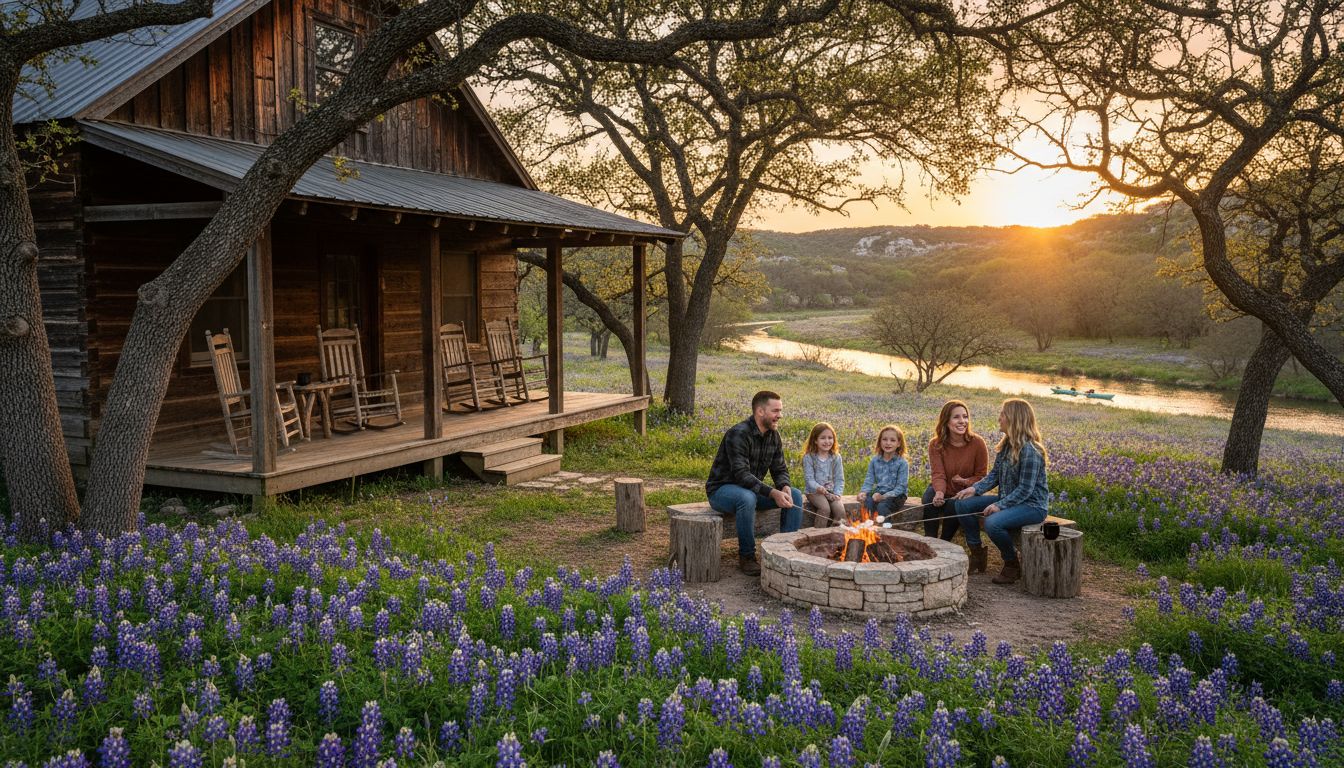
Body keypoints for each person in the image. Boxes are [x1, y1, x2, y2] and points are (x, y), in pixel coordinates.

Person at [706, 390, 804, 575]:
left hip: (751, 490)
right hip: (721, 491)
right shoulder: (738, 434)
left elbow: (780, 469)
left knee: (796, 495)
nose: (780, 415)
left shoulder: (774, 436)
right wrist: (772, 493)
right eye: (775, 411)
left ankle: (784, 553)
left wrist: (784, 486)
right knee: (747, 498)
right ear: (760, 411)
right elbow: (741, 475)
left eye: (780, 410)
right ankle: (747, 557)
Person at [954, 398, 1050, 584]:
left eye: (1003, 414)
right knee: (962, 504)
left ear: (1014, 418)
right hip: (1009, 499)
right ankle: (977, 553)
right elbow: (994, 475)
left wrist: (1000, 505)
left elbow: (1025, 489)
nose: (999, 418)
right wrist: (974, 488)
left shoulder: (1031, 451)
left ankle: (1011, 564)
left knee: (993, 523)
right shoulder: (1007, 445)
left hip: (1032, 506)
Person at [922, 400, 989, 557]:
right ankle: (929, 542)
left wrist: (965, 482)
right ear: (946, 421)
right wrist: (939, 492)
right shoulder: (936, 444)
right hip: (944, 486)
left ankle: (943, 544)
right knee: (928, 499)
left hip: (967, 490)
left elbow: (982, 476)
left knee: (954, 505)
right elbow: (938, 473)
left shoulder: (977, 443)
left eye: (965, 417)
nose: (962, 421)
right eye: (956, 417)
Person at [857, 424, 908, 520]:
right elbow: (869, 480)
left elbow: (901, 487)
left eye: (892, 440)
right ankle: (869, 526)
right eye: (884, 439)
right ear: (880, 441)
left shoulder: (902, 463)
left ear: (899, 443)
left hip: (897, 496)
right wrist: (863, 492)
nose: (888, 443)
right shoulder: (875, 461)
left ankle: (886, 527)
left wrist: (884, 497)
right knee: (867, 502)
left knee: (882, 506)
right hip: (880, 492)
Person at [802, 422, 846, 526]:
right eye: (823, 438)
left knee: (840, 511)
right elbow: (809, 479)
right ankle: (818, 532)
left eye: (830, 438)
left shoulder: (836, 457)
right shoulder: (809, 457)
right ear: (815, 440)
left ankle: (835, 532)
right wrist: (818, 487)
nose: (827, 441)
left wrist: (837, 494)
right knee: (825, 509)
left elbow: (839, 479)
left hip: (831, 491)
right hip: (814, 492)